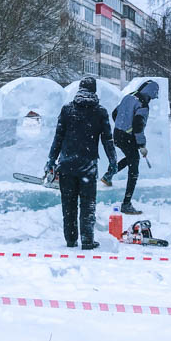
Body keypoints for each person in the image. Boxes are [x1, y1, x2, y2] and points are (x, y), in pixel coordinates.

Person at [45, 77, 118, 250]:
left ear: (79, 89)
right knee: (88, 205)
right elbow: (108, 139)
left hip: (67, 165)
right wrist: (113, 161)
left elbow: (58, 137)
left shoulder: (67, 110)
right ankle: (87, 240)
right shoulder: (100, 112)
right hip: (88, 166)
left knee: (68, 205)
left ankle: (70, 240)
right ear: (94, 91)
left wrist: (51, 160)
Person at [100, 80, 159, 215]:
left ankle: (108, 175)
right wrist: (142, 145)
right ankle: (126, 203)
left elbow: (115, 113)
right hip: (128, 137)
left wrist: (122, 125)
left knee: (131, 157)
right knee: (134, 167)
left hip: (118, 134)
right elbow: (139, 126)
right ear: (150, 94)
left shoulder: (129, 96)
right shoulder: (143, 104)